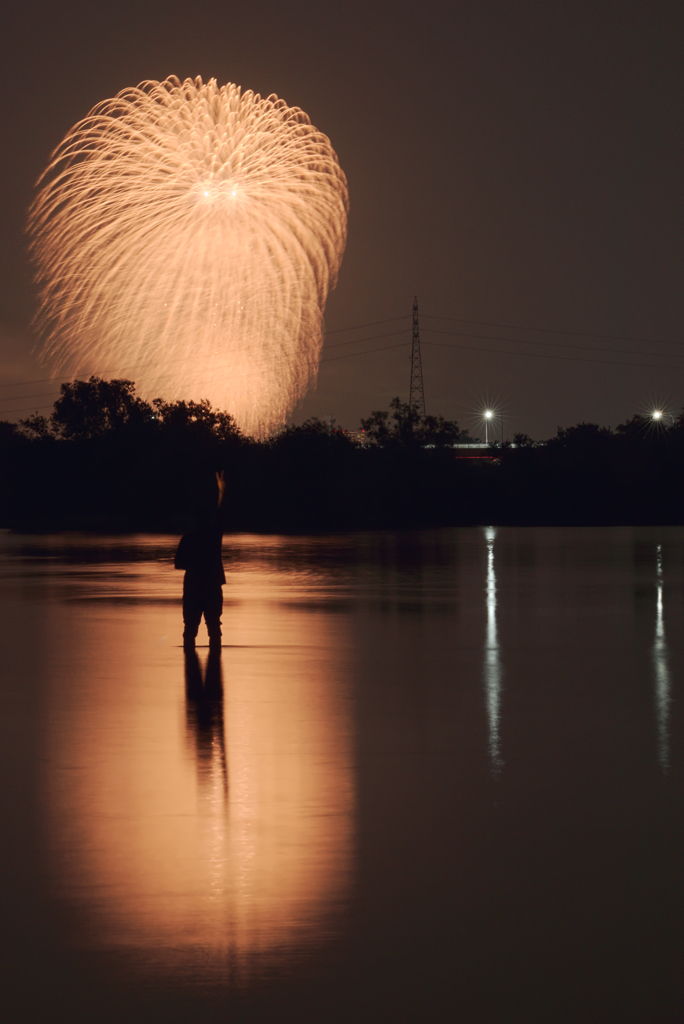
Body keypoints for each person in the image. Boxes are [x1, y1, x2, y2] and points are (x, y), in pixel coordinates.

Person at [174, 470, 227, 649]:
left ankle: (192, 667)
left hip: (193, 587)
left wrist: (195, 565)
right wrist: (222, 492)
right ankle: (213, 668)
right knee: (213, 627)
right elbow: (221, 514)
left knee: (190, 629)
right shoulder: (214, 536)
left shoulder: (188, 538)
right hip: (211, 586)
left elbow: (178, 564)